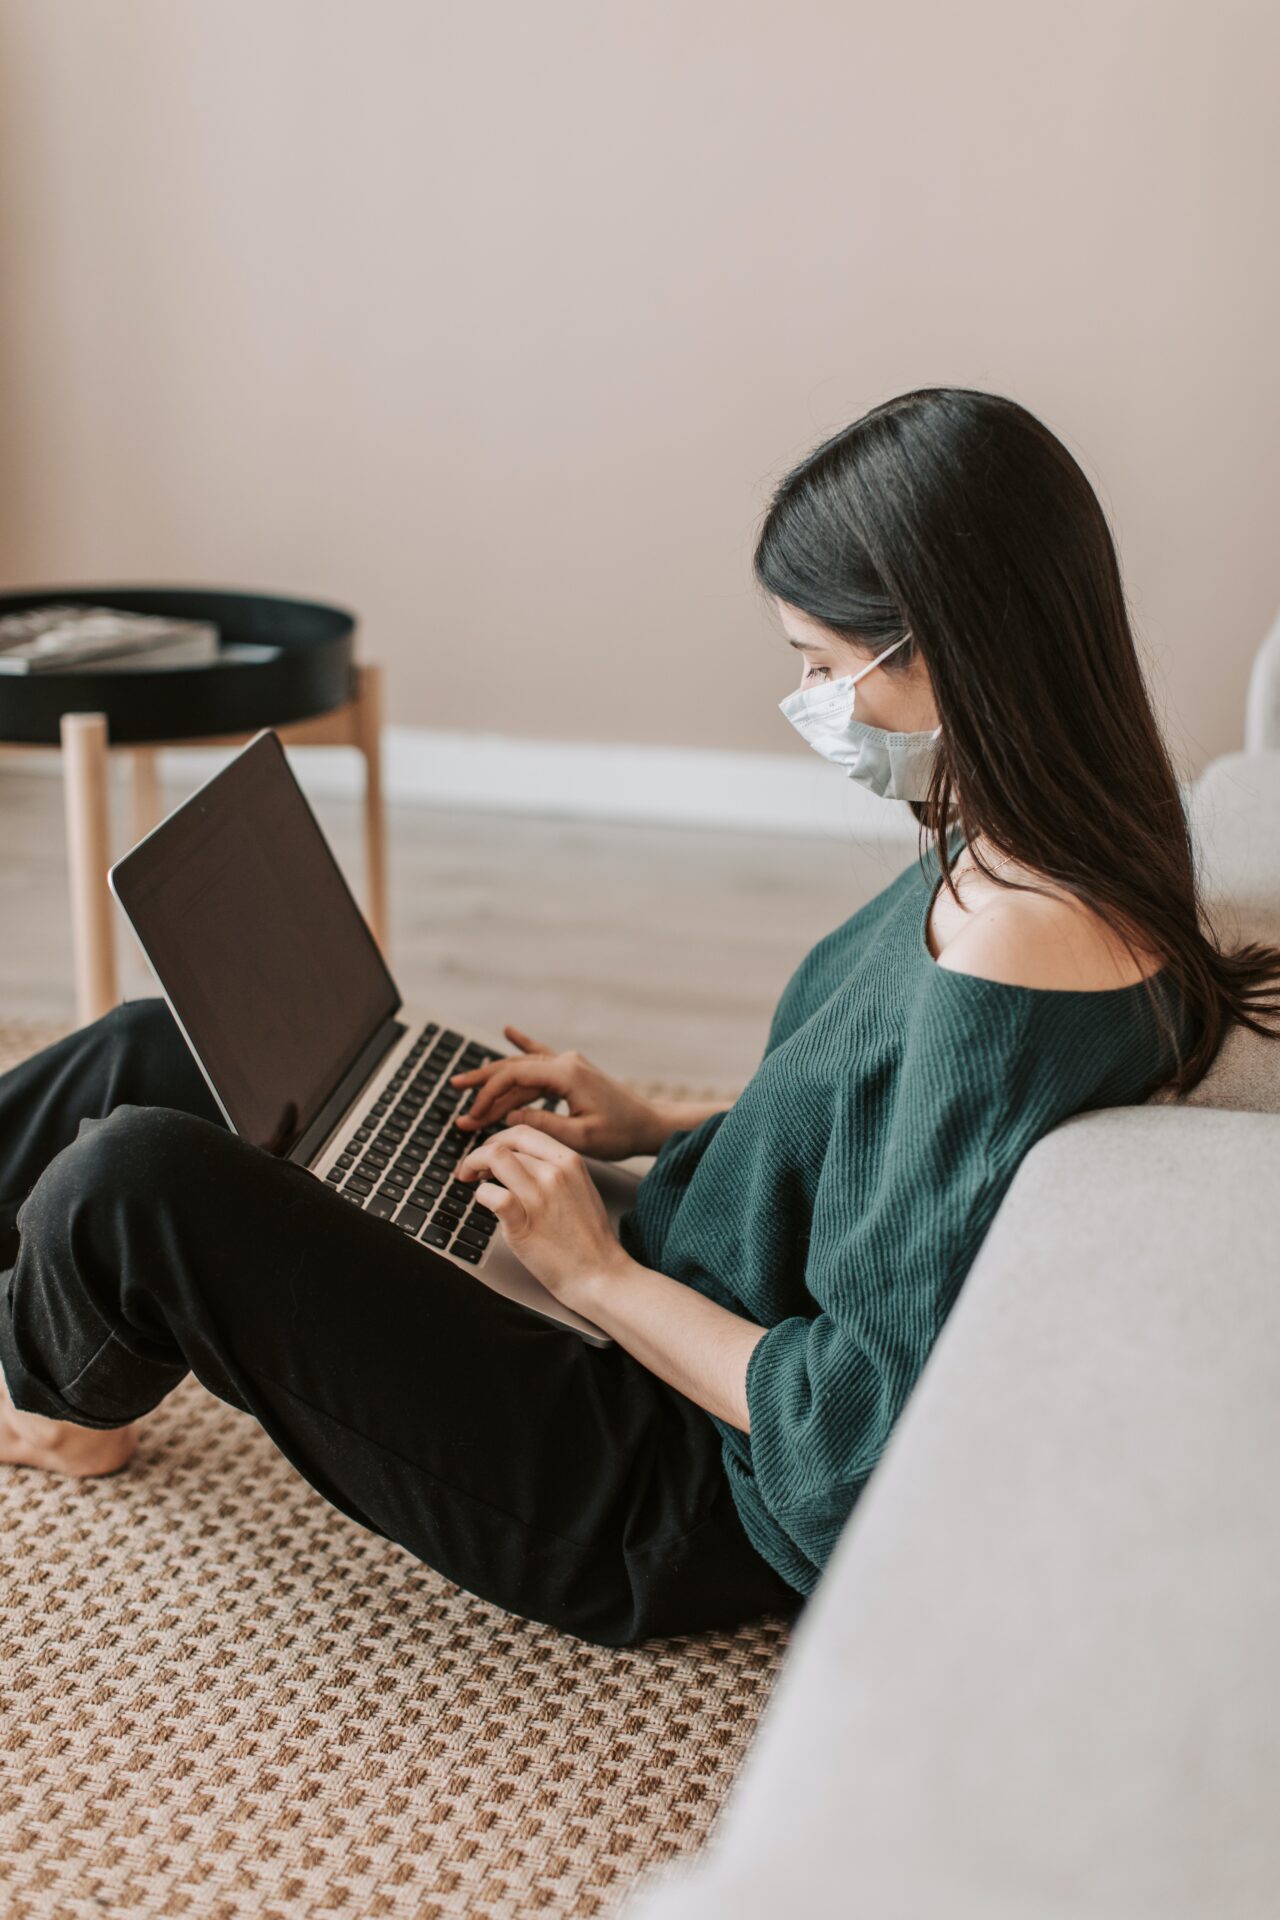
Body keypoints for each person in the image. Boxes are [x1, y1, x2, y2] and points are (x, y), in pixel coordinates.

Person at [3, 385, 1278, 1646]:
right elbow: (908, 1158)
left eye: (826, 667)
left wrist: (592, 1275)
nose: (815, 703)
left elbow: (848, 1442)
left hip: (665, 1482)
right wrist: (656, 1125)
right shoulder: (1054, 830)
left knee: (135, 1183)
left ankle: (65, 1404)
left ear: (953, 645)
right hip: (669, 1285)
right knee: (158, 1050)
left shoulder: (1023, 947)